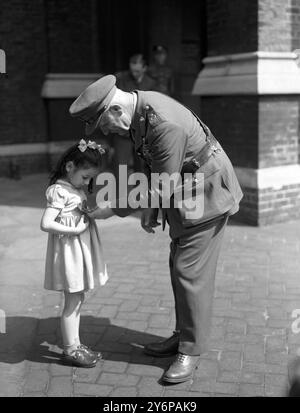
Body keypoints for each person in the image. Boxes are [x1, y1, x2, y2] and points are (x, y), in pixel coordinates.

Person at [69, 75, 243, 383]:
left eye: (105, 126)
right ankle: (182, 335)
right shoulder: (139, 114)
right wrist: (152, 208)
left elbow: (164, 183)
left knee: (190, 273)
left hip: (207, 194)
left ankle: (190, 350)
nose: (107, 133)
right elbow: (157, 168)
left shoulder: (162, 123)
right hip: (187, 194)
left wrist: (112, 209)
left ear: (115, 111)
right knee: (178, 265)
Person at [40, 139, 108, 368]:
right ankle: (70, 349)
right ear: (70, 167)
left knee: (77, 298)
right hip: (69, 253)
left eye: (91, 178)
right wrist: (74, 229)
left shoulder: (73, 188)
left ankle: (76, 344)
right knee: (72, 301)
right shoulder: (59, 191)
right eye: (86, 176)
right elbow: (46, 223)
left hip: (77, 251)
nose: (88, 182)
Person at [114, 54, 157, 175]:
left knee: (143, 169)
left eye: (137, 71)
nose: (134, 73)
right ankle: (121, 194)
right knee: (120, 168)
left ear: (145, 68)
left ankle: (141, 194)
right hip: (123, 131)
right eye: (132, 70)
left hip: (142, 133)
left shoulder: (151, 83)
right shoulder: (121, 79)